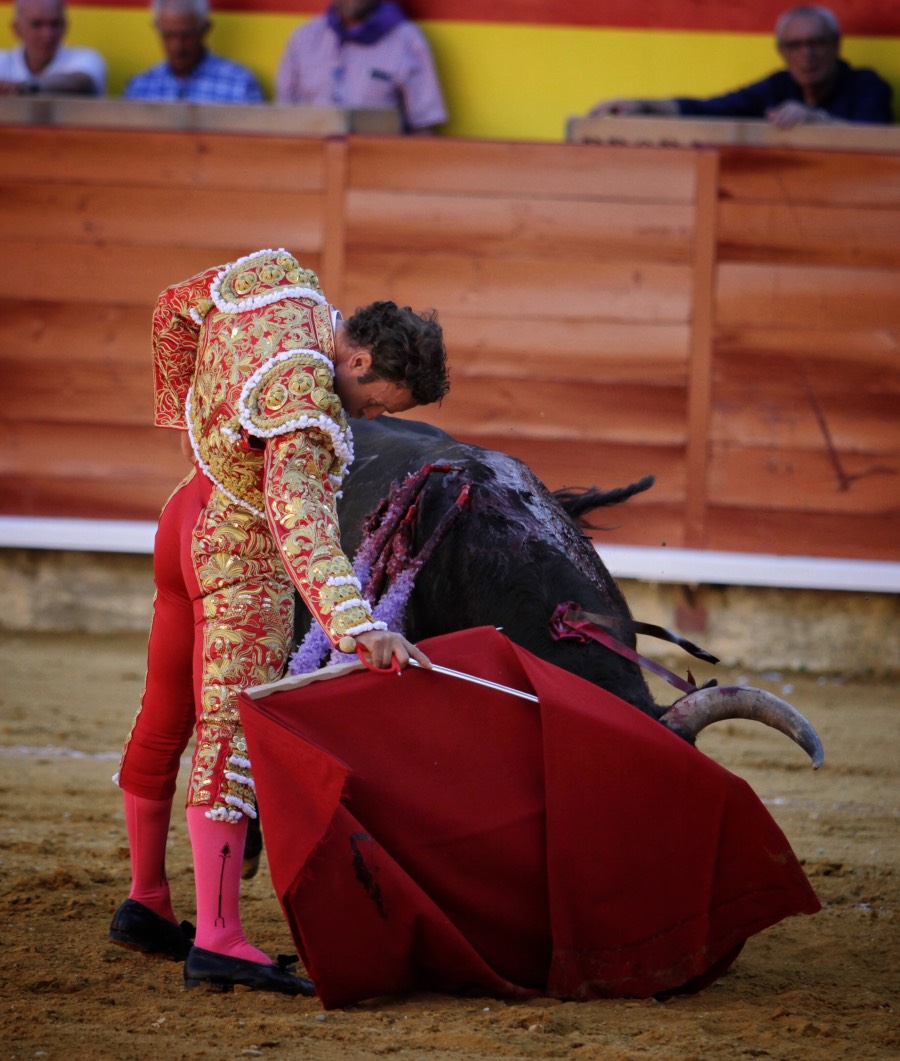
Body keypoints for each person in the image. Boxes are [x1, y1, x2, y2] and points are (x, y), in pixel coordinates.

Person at [108, 247, 449, 994]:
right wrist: (359, 627)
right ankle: (219, 939)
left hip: (184, 515)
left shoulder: (280, 284)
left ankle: (147, 900)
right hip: (238, 555)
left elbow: (173, 309)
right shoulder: (308, 404)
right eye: (381, 401)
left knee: (163, 713)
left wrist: (184, 416)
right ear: (358, 359)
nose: (375, 416)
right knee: (227, 740)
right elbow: (301, 526)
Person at [589, 6, 893, 129]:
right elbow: (710, 109)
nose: (807, 54)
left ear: (837, 45)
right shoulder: (778, 86)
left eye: (817, 43)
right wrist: (644, 106)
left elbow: (877, 139)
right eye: (795, 46)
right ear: (781, 53)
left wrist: (817, 121)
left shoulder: (867, 86)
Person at [275, 0, 447, 134]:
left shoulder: (407, 41)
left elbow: (424, 127)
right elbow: (282, 119)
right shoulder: (303, 39)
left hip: (379, 163)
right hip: (309, 161)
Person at [123, 0, 264, 104]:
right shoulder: (140, 88)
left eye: (186, 36)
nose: (177, 46)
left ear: (205, 29)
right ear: (157, 28)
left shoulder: (239, 84)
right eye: (168, 35)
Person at [0, 0, 105, 96]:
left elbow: (80, 83)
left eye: (54, 24)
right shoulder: (3, 61)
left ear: (64, 26)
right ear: (17, 29)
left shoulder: (87, 58)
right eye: (37, 25)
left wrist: (25, 88)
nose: (48, 34)